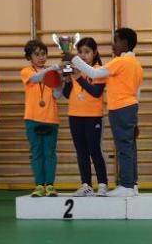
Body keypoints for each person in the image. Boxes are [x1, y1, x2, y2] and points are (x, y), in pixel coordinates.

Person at [68, 27, 143, 197]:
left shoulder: (120, 61)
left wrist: (74, 59)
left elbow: (95, 72)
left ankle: (127, 186)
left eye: (116, 40)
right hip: (131, 108)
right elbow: (137, 92)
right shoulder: (137, 64)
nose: (113, 44)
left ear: (125, 43)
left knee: (123, 147)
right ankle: (133, 184)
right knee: (130, 147)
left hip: (120, 108)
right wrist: (135, 119)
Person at [60, 37, 109, 196]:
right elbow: (67, 94)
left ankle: (102, 184)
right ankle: (86, 184)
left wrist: (79, 77)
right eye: (80, 52)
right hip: (75, 115)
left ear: (94, 53)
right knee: (81, 152)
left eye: (87, 52)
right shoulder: (73, 69)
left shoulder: (99, 70)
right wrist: (67, 81)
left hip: (93, 116)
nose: (82, 55)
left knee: (95, 150)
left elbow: (96, 93)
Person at [20, 39, 63, 197]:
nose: (41, 57)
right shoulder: (27, 71)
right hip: (32, 119)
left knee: (50, 153)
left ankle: (50, 185)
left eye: (43, 54)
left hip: (51, 118)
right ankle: (39, 185)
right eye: (37, 54)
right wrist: (52, 69)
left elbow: (57, 94)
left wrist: (61, 81)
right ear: (29, 57)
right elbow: (36, 78)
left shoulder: (51, 74)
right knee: (37, 152)